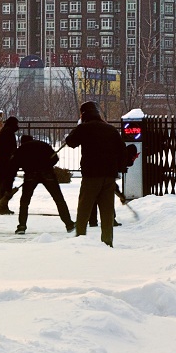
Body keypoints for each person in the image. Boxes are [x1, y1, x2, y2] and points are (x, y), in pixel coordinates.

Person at [65, 101, 126, 247]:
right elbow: (122, 150)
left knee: (84, 208)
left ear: (83, 114)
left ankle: (80, 238)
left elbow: (71, 142)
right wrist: (117, 168)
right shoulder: (110, 129)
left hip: (91, 174)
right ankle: (107, 241)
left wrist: (78, 127)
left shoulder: (84, 128)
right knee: (107, 211)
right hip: (109, 175)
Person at [12, 134, 75, 235]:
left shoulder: (21, 148)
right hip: (48, 173)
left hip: (30, 175)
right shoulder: (43, 145)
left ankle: (22, 226)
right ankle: (69, 224)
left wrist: (27, 167)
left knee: (25, 201)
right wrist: (46, 165)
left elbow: (15, 163)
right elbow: (55, 159)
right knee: (58, 199)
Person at [0, 116, 19, 214]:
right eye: (16, 124)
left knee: (2, 185)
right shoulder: (8, 133)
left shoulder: (5, 131)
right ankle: (2, 206)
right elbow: (11, 149)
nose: (17, 127)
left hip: (1, 163)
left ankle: (2, 206)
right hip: (5, 164)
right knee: (4, 186)